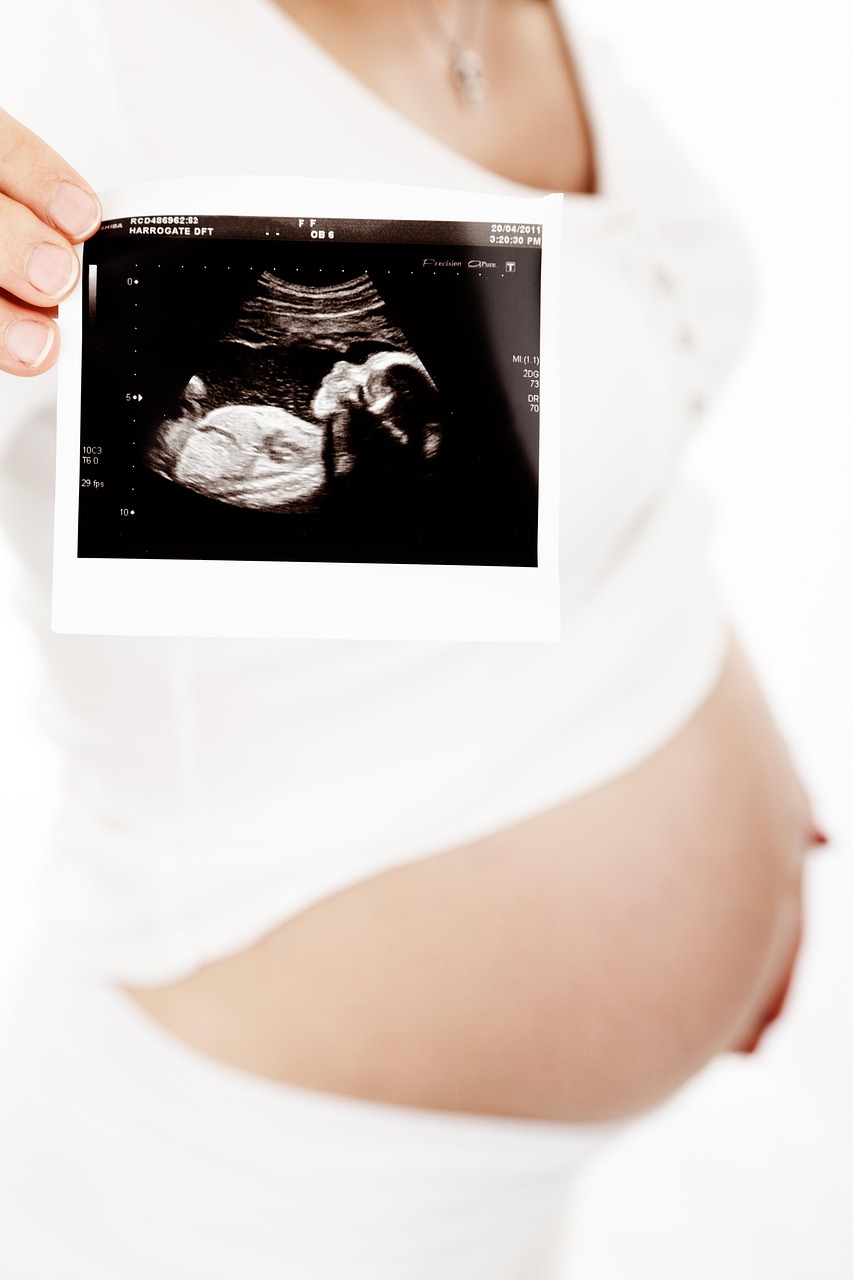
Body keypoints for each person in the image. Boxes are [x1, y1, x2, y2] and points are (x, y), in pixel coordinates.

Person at [0, 1, 823, 1276]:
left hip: (510, 1168)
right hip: (253, 1190)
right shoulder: (57, 54)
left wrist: (688, 739)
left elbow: (619, 466)